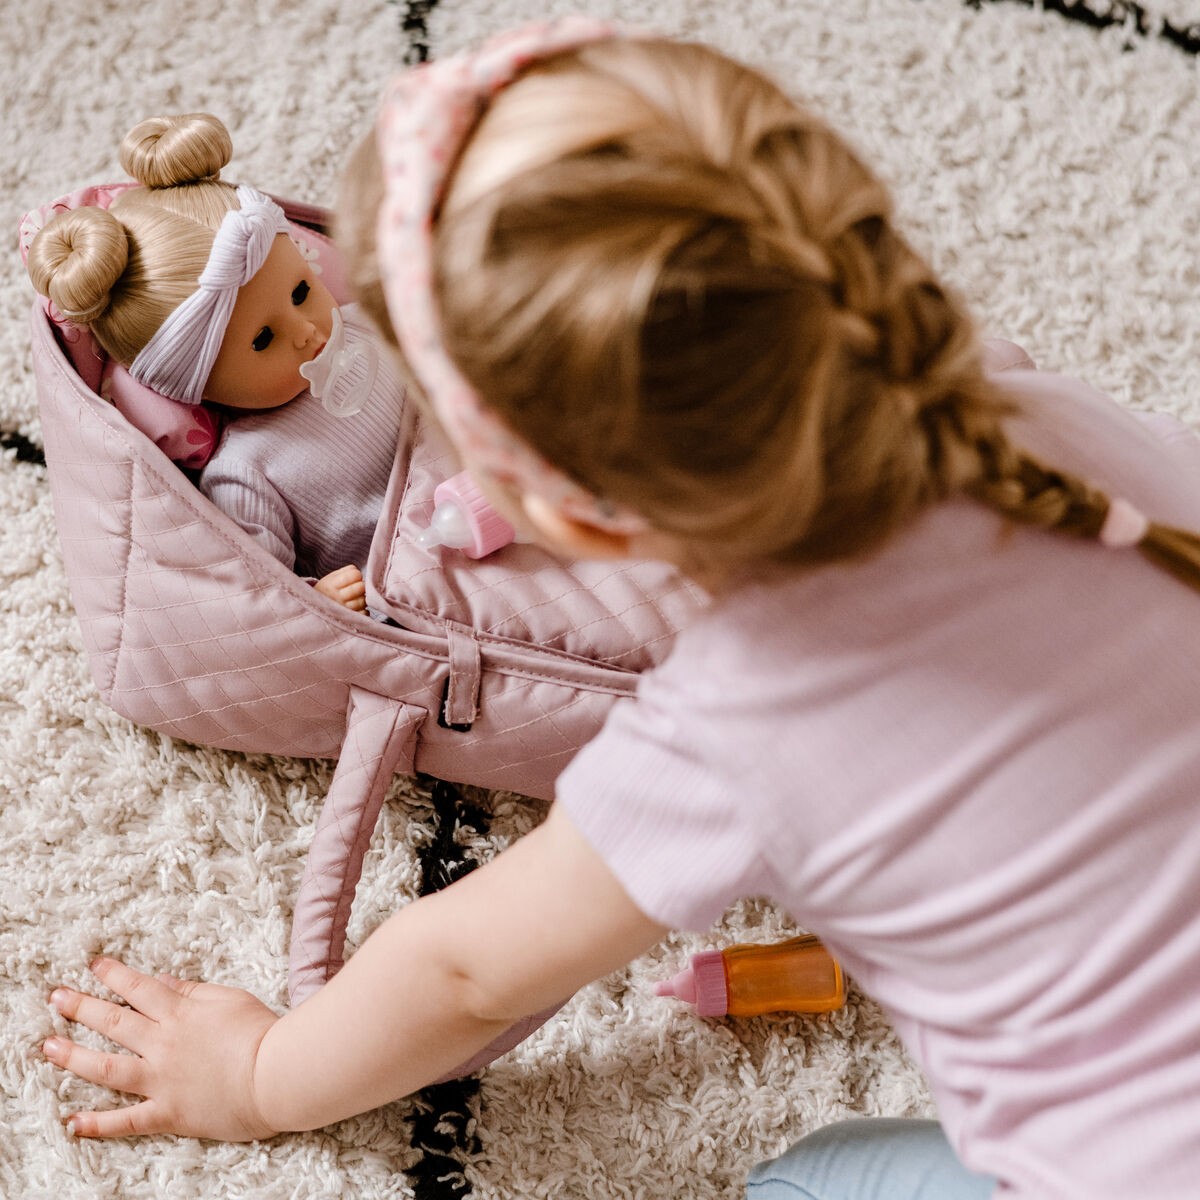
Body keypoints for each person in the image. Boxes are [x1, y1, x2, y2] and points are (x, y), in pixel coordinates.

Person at [39, 20, 1200, 1199]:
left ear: (568, 513)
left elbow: (462, 975)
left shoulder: (734, 721)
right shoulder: (1046, 422)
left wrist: (261, 1074)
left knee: (805, 1177)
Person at [25, 113, 407, 614]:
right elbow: (262, 591)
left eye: (301, 291)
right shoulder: (247, 472)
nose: (307, 330)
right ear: (199, 385)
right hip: (416, 581)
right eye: (264, 338)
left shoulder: (363, 324)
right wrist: (318, 597)